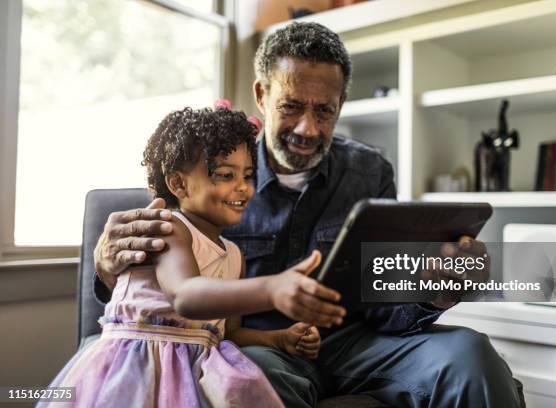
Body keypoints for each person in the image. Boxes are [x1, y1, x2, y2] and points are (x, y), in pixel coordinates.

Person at [94, 22, 523, 407]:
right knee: (250, 379)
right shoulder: (208, 176)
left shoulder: (370, 172)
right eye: (292, 106)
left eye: (324, 111)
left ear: (341, 104)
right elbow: (163, 282)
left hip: (357, 341)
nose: (308, 129)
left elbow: (385, 302)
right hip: (258, 344)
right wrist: (106, 268)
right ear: (262, 95)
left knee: (470, 354)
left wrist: (435, 289)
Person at [41, 103, 346, 407]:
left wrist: (279, 339)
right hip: (140, 366)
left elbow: (229, 333)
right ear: (178, 183)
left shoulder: (234, 256)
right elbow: (185, 295)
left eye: (248, 175)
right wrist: (271, 288)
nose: (242, 187)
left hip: (192, 367)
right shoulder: (169, 227)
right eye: (226, 175)